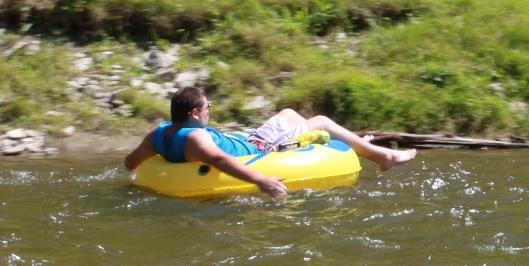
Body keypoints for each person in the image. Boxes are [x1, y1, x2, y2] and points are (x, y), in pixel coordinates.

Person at [124, 86, 417, 198]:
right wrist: (262, 180)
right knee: (318, 121)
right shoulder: (198, 138)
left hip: (246, 142)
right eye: (208, 106)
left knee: (292, 117)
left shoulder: (159, 134)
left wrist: (145, 177)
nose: (211, 109)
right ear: (195, 113)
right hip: (259, 150)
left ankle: (358, 142)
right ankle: (381, 156)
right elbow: (222, 161)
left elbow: (131, 162)